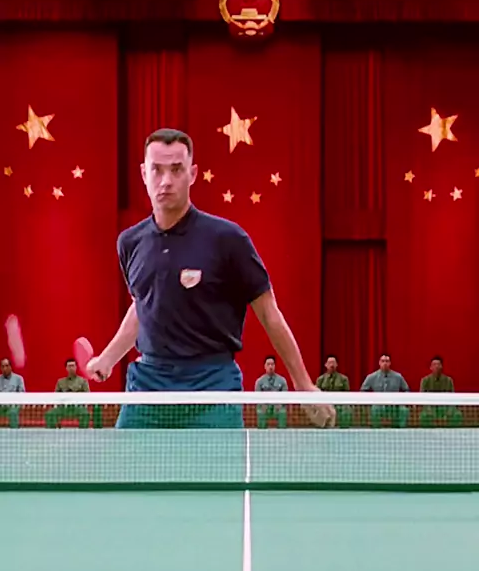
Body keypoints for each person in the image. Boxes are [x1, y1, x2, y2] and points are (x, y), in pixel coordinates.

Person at [86, 128, 335, 429]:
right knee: (126, 461)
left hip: (212, 385)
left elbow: (270, 315)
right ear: (143, 173)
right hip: (149, 386)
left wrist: (304, 385)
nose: (166, 180)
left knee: (217, 463)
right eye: (157, 170)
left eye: (176, 169)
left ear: (192, 174)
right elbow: (145, 305)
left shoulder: (228, 239)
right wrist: (108, 358)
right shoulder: (130, 242)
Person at [361, 354, 409, 428]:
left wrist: (401, 401)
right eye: (383, 361)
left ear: (390, 363)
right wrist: (370, 401)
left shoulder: (398, 376)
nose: (385, 363)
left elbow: (406, 390)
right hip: (378, 404)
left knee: (403, 410)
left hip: (394, 404)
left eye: (387, 361)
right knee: (374, 409)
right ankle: (376, 429)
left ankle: (400, 430)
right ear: (379, 363)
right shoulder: (371, 377)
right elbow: (363, 391)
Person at [45, 358, 91, 429]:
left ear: (76, 367)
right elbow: (55, 396)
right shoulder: (60, 382)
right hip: (63, 408)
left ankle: (82, 432)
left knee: (85, 414)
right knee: (50, 414)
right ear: (66, 368)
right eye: (69, 366)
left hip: (78, 407)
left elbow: (88, 395)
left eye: (73, 366)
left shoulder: (83, 381)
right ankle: (53, 432)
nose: (71, 368)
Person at [419, 356, 462, 428]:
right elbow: (422, 398)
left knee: (457, 414)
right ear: (430, 367)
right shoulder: (425, 380)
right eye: (434, 365)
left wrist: (449, 411)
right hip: (430, 407)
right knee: (424, 415)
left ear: (442, 367)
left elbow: (453, 398)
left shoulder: (448, 380)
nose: (436, 366)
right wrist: (429, 410)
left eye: (438, 364)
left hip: (445, 406)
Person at [316, 355, 352, 428]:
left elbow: (347, 394)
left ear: (336, 365)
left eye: (333, 363)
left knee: (346, 409)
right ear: (326, 365)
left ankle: (344, 427)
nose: (331, 365)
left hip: (339, 403)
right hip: (325, 404)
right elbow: (317, 394)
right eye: (329, 363)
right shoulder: (320, 379)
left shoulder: (344, 379)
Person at [255, 355, 288, 429]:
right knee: (260, 411)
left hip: (278, 406)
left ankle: (282, 432)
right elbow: (257, 398)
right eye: (268, 364)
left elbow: (285, 397)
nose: (270, 366)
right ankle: (261, 432)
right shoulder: (259, 381)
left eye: (272, 364)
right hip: (265, 406)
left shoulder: (282, 380)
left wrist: (280, 404)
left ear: (275, 366)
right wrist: (263, 405)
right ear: (265, 366)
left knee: (282, 412)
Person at [0, 357, 25, 428]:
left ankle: (14, 431)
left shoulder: (19, 379)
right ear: (1, 368)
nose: (5, 368)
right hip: (0, 406)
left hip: (13, 406)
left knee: (13, 413)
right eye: (3, 366)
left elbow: (22, 394)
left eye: (6, 366)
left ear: (10, 367)